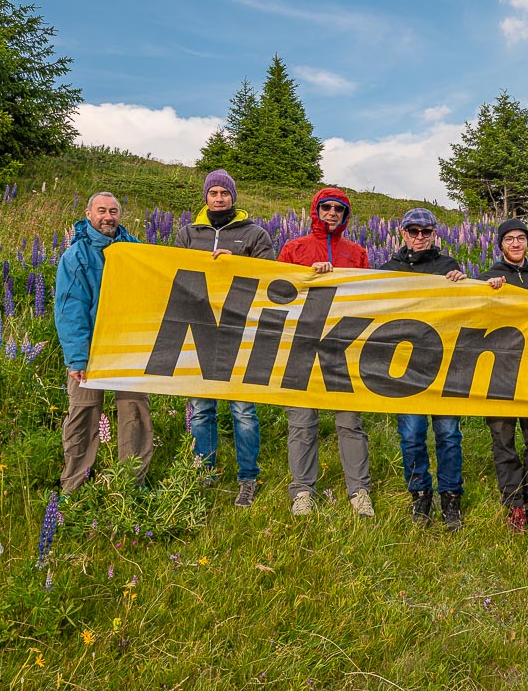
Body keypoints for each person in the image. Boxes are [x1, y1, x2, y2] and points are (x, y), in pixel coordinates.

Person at [174, 169, 275, 507]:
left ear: (234, 196)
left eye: (224, 193)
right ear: (205, 197)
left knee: (244, 410)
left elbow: (273, 278)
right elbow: (175, 275)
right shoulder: (188, 233)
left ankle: (248, 477)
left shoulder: (255, 234)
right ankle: (204, 474)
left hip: (240, 330)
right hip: (198, 330)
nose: (219, 198)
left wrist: (240, 264)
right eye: (213, 192)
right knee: (201, 409)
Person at [277, 187, 374, 518]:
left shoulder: (357, 252)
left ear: (346, 216)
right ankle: (302, 491)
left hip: (343, 347)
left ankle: (359, 491)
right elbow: (278, 291)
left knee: (350, 422)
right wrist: (306, 277)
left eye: (339, 209)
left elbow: (369, 296)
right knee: (302, 422)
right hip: (300, 345)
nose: (332, 213)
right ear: (315, 210)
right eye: (326, 207)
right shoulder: (295, 247)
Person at [55, 192, 154, 493]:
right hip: (90, 349)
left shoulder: (136, 250)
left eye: (113, 211)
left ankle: (131, 485)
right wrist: (77, 358)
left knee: (135, 414)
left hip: (128, 347)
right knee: (83, 414)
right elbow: (70, 309)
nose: (108, 217)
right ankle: (74, 486)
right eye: (101, 211)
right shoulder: (76, 256)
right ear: (88, 214)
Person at [378, 208, 468, 530]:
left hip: (444, 366)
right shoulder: (387, 270)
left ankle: (450, 498)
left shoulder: (448, 267)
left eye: (425, 232)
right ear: (402, 233)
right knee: (412, 436)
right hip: (405, 368)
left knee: (448, 435)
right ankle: (420, 495)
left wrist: (462, 284)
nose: (419, 237)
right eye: (413, 231)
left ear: (434, 234)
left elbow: (466, 311)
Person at [480, 218, 528, 532]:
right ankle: (512, 503)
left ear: (527, 243)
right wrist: (489, 294)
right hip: (499, 373)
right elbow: (476, 319)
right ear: (500, 244)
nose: (515, 244)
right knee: (503, 440)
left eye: (520, 239)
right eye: (509, 239)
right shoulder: (488, 277)